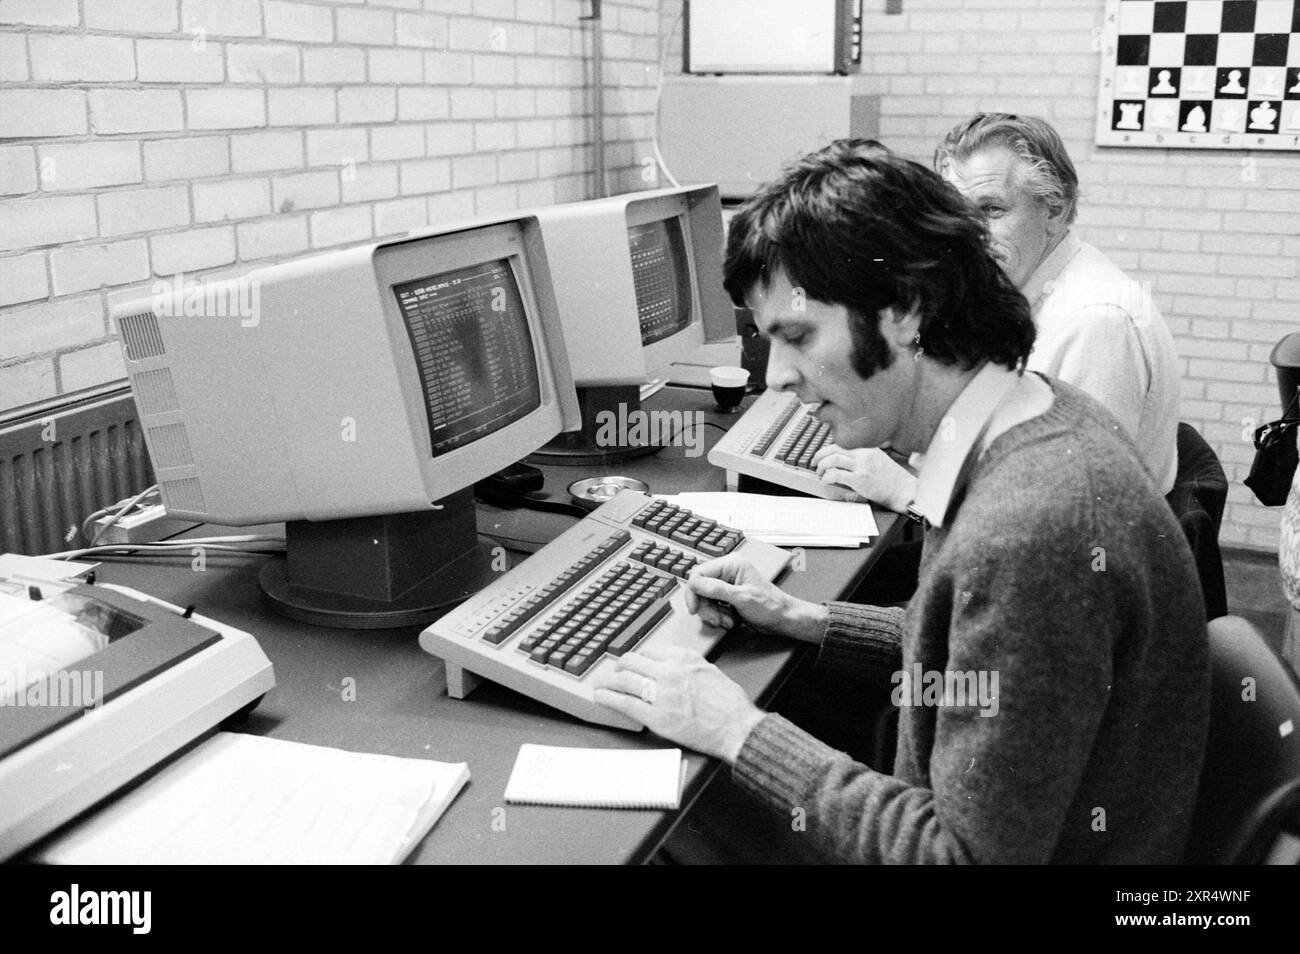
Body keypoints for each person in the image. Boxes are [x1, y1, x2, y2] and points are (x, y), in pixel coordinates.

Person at [592, 142, 1209, 864]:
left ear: (910, 310)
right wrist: (806, 617)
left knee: (661, 823)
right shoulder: (1035, 414)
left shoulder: (1033, 527)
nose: (779, 379)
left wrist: (739, 731)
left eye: (798, 336)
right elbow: (978, 655)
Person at [815, 114, 1182, 512]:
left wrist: (907, 491)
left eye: (991, 210)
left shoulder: (1097, 322)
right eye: (958, 212)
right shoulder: (1024, 285)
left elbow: (1076, 510)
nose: (970, 234)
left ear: (1054, 210)